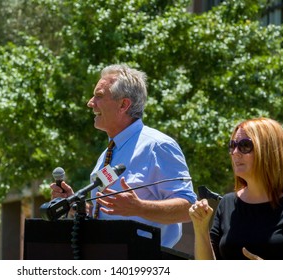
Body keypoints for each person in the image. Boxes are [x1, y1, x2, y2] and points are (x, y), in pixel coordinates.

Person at [51, 64, 197, 248]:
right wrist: (74, 205)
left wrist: (140, 207)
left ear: (123, 105)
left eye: (99, 96)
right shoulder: (108, 153)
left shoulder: (158, 146)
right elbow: (106, 214)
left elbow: (189, 208)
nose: (90, 102)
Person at [189, 117, 283, 260]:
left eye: (244, 145)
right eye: (232, 145)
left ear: (268, 150)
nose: (235, 152)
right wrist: (200, 228)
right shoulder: (227, 203)